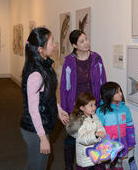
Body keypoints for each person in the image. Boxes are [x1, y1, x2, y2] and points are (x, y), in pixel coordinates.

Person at [59, 29, 107, 170]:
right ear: (74, 45)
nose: (86, 43)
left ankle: (92, 163)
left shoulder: (96, 58)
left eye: (86, 39)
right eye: (81, 41)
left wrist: (102, 102)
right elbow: (64, 87)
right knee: (72, 136)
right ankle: (69, 166)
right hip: (76, 106)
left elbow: (102, 81)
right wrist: (65, 109)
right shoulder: (69, 61)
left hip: (93, 105)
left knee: (94, 134)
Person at [20, 27, 58, 170]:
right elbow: (33, 110)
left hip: (41, 125)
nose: (55, 45)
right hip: (35, 129)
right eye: (52, 42)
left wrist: (58, 109)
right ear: (41, 49)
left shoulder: (45, 66)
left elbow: (48, 96)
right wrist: (42, 138)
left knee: (38, 164)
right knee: (37, 166)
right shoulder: (36, 75)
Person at [96, 82, 136, 170]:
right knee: (105, 167)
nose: (120, 94)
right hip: (106, 147)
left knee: (118, 167)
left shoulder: (125, 109)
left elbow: (130, 127)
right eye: (116, 92)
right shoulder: (101, 111)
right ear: (108, 94)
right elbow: (97, 130)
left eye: (120, 91)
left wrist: (130, 142)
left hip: (120, 146)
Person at [66, 92, 106, 170]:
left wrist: (102, 135)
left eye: (94, 104)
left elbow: (100, 128)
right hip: (86, 159)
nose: (94, 107)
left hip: (97, 154)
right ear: (82, 108)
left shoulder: (94, 116)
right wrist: (95, 135)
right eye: (91, 105)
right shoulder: (80, 121)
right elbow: (82, 139)